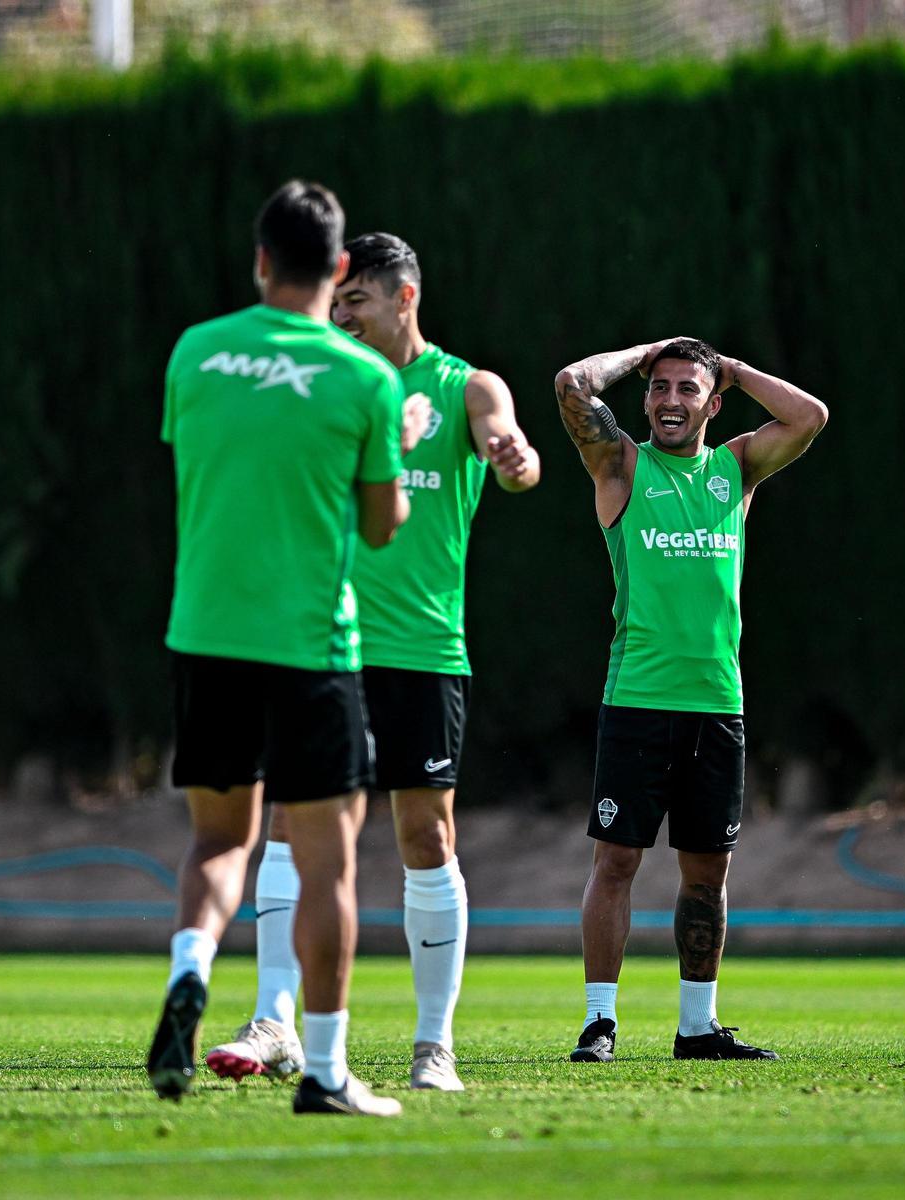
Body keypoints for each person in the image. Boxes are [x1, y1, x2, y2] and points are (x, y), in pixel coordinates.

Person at [204, 232, 541, 1092]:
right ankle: (275, 1020)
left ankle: (435, 1046)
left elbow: (513, 450)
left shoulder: (468, 385)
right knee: (295, 830)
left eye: (355, 300)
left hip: (424, 649)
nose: (340, 312)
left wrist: (513, 457)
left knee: (426, 834)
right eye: (336, 299)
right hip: (324, 645)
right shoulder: (327, 381)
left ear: (405, 298)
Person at [146, 181, 413, 1117]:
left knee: (220, 838)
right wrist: (399, 448)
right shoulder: (367, 380)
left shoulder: (195, 353)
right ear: (339, 270)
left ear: (260, 260)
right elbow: (382, 529)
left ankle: (190, 967)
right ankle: (329, 1072)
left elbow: (206, 466)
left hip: (206, 637)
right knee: (328, 862)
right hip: (312, 646)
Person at [554, 336, 827, 1061]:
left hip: (718, 702)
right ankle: (599, 1023)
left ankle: (698, 1027)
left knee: (709, 871)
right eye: (659, 387)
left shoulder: (735, 468)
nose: (669, 400)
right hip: (638, 698)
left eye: (686, 389)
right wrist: (645, 352)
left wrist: (731, 370)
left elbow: (810, 416)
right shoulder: (622, 465)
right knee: (616, 863)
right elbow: (572, 386)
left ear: (712, 402)